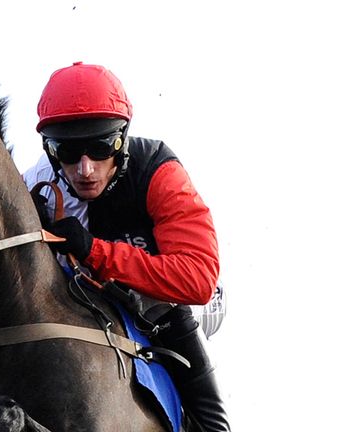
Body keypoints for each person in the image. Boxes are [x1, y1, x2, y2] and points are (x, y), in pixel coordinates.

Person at [22, 62, 230, 431]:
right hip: (65, 306)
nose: (85, 169)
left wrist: (94, 251)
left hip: (156, 312)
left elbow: (198, 280)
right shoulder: (35, 184)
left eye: (100, 147)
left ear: (121, 140)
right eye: (68, 152)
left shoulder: (158, 172)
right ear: (50, 150)